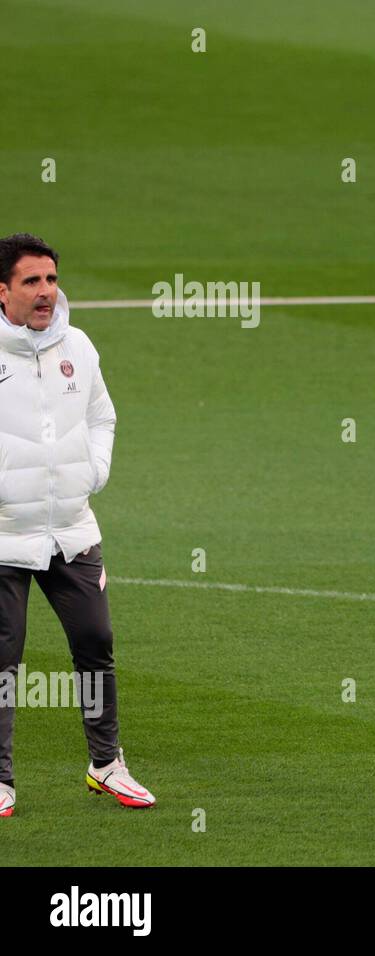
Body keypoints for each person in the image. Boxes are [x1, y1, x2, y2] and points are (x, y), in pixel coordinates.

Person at [0, 234, 155, 816]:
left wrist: (92, 471)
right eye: (31, 282)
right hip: (4, 535)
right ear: (3, 290)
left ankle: (106, 765)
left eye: (51, 279)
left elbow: (101, 415)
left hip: (71, 529)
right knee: (3, 659)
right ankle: (1, 779)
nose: (46, 292)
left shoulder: (78, 346)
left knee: (96, 644)